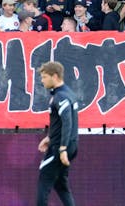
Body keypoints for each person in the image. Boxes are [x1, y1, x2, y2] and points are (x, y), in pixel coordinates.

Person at [37, 61, 79, 206]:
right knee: (61, 185)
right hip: (69, 145)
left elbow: (67, 121)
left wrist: (62, 149)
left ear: (54, 76)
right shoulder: (68, 93)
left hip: (60, 148)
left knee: (44, 178)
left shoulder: (60, 96)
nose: (42, 81)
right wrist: (49, 137)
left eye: (44, 77)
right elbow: (62, 123)